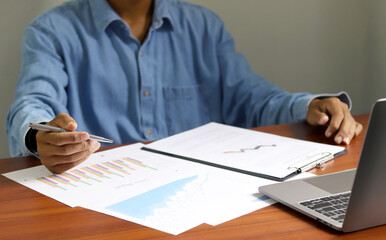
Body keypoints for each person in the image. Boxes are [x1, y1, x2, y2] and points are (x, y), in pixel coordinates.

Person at [6, 0, 362, 174]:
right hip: (99, 194)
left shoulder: (204, 26)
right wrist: (39, 136)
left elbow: (252, 97)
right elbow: (32, 104)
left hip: (201, 190)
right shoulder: (51, 30)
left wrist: (310, 105)